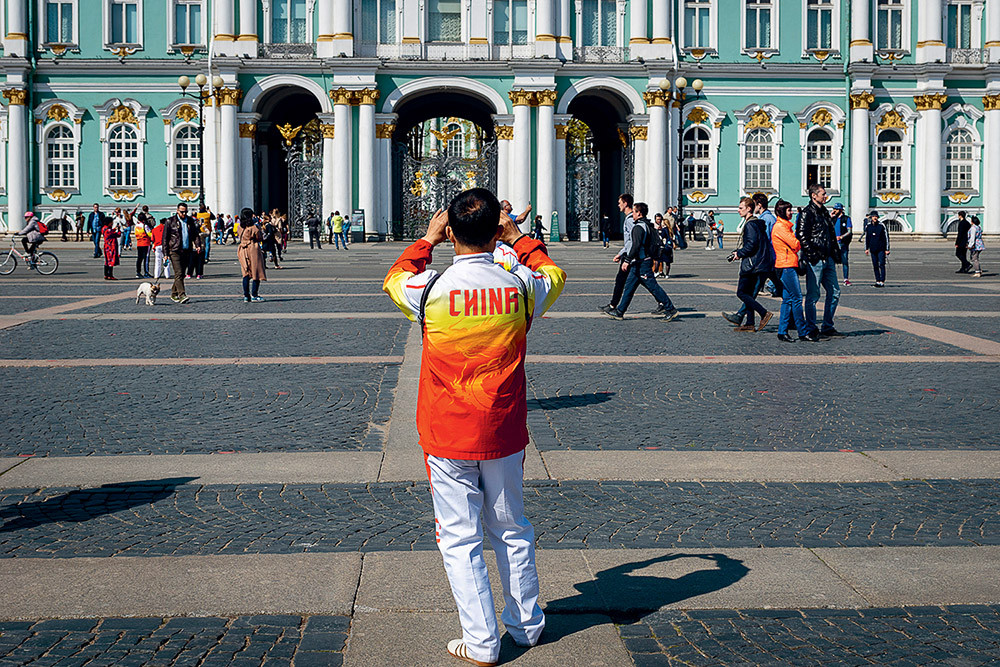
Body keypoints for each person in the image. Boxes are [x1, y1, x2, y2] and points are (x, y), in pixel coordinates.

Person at [383, 188, 565, 667]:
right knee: (512, 527)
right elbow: (552, 273)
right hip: (503, 426)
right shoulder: (520, 285)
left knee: (459, 537)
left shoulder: (431, 289)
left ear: (451, 232)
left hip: (447, 430)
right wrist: (519, 238)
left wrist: (426, 240)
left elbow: (395, 278)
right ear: (495, 231)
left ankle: (482, 641)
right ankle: (526, 625)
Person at [604, 203, 680, 321]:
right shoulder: (647, 225)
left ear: (639, 213)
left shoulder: (638, 228)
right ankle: (620, 311)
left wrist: (627, 260)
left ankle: (670, 309)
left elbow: (636, 246)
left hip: (642, 263)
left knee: (653, 287)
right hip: (639, 263)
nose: (632, 214)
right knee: (629, 287)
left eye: (634, 212)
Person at [797, 184, 842, 337]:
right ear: (814, 196)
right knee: (813, 295)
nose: (825, 196)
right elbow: (802, 235)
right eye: (823, 194)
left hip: (828, 258)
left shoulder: (824, 212)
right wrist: (813, 255)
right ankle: (811, 327)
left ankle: (827, 326)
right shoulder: (807, 213)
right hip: (815, 260)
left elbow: (830, 235)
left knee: (835, 292)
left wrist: (835, 253)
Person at [771, 200, 819, 342]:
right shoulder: (781, 227)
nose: (791, 212)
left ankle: (782, 331)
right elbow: (796, 244)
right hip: (786, 266)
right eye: (789, 210)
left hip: (785, 264)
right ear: (782, 212)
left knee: (787, 300)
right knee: (797, 299)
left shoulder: (785, 226)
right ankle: (802, 332)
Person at [728, 197, 774, 332]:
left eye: (741, 208)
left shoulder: (750, 225)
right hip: (758, 264)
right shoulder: (757, 223)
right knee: (748, 293)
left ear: (749, 209)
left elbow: (751, 245)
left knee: (741, 293)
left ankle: (763, 313)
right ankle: (749, 323)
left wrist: (739, 253)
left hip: (751, 264)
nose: (738, 210)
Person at [599, 194, 635, 316]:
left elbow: (633, 241)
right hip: (629, 255)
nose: (618, 205)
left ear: (625, 203)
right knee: (626, 281)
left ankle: (614, 306)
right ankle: (613, 305)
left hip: (630, 256)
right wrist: (620, 253)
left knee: (622, 281)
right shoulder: (629, 219)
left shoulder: (630, 220)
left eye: (620, 203)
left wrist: (627, 258)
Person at [162, 202, 199, 303]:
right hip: (174, 250)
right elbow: (165, 238)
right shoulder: (170, 221)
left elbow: (195, 234)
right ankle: (182, 295)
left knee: (181, 274)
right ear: (177, 211)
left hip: (186, 250)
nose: (184, 214)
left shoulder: (190, 221)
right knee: (178, 273)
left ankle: (174, 293)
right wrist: (165, 254)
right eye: (182, 212)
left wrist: (197, 244)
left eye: (186, 212)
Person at [236, 207, 266, 302]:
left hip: (242, 250)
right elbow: (259, 237)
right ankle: (254, 294)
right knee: (256, 271)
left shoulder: (239, 227)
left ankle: (246, 295)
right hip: (252, 249)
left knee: (246, 273)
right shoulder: (254, 228)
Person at [864, 210, 890, 287]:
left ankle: (882, 281)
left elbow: (886, 237)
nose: (874, 218)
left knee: (881, 264)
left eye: (876, 216)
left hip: (881, 248)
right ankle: (877, 280)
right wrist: (866, 248)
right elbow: (867, 238)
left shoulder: (881, 225)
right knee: (875, 265)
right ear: (871, 217)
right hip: (873, 248)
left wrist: (887, 249)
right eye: (873, 216)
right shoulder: (868, 226)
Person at [831, 203, 853, 286]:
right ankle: (832, 278)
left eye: (836, 209)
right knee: (832, 262)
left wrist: (841, 237)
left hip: (843, 243)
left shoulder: (846, 219)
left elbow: (849, 231)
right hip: (834, 244)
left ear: (840, 210)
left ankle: (846, 279)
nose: (834, 211)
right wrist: (830, 217)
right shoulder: (833, 219)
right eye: (834, 209)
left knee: (844, 261)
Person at [134, 213, 153, 278]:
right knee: (146, 259)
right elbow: (150, 234)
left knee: (139, 258)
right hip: (146, 243)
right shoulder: (145, 226)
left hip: (139, 243)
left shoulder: (136, 225)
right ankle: (146, 273)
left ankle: (138, 272)